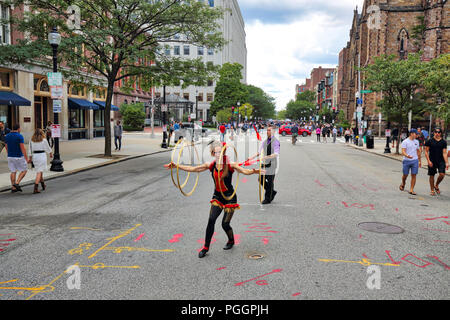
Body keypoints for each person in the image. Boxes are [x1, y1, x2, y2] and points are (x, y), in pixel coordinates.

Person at [164, 141, 263, 258]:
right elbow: (193, 169)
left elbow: (244, 171)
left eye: (220, 152)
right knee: (211, 220)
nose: (218, 154)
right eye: (216, 152)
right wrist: (177, 166)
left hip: (230, 197)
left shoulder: (230, 165)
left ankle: (231, 240)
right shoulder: (210, 165)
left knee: (225, 224)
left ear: (224, 152)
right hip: (217, 196)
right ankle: (205, 247)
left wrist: (254, 171)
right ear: (213, 153)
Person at [248, 126, 280, 204]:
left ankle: (267, 198)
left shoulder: (276, 142)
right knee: (260, 179)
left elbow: (276, 154)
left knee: (269, 182)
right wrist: (251, 158)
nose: (267, 131)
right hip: (264, 164)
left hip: (271, 164)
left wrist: (267, 157)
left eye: (269, 130)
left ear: (273, 132)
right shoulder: (265, 141)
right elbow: (259, 152)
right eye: (267, 130)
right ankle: (272, 191)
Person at [4, 124, 29, 193]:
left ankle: (13, 187)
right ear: (18, 128)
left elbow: (6, 146)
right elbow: (22, 148)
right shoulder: (19, 136)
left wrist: (8, 153)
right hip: (18, 156)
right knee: (24, 170)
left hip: (10, 156)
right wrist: (26, 158)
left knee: (13, 171)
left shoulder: (7, 136)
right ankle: (17, 183)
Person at [424, 128, 448, 196]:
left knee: (442, 174)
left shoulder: (443, 142)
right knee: (432, 175)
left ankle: (436, 185)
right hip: (432, 160)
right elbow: (426, 151)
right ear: (434, 133)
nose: (437, 133)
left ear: (441, 133)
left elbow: (444, 153)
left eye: (439, 132)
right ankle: (432, 190)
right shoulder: (429, 141)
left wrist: (447, 162)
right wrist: (428, 161)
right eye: (436, 132)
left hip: (441, 161)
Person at [29, 129, 53, 194]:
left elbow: (30, 150)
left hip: (35, 156)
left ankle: (43, 185)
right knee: (39, 171)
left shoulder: (31, 140)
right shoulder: (44, 140)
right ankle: (35, 188)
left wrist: (30, 158)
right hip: (42, 156)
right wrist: (50, 153)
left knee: (40, 170)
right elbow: (47, 147)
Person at [399, 129, 421, 195]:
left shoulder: (417, 141)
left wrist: (419, 161)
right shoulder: (405, 142)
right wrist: (407, 156)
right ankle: (403, 182)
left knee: (414, 175)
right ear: (411, 134)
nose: (417, 135)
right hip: (406, 160)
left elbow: (418, 151)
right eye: (415, 133)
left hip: (415, 160)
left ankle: (411, 189)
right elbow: (403, 151)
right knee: (405, 175)